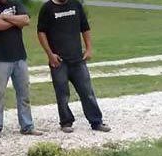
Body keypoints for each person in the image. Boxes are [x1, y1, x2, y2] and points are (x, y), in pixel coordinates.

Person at [37, 0, 110, 133]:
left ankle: (96, 121)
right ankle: (66, 122)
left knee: (87, 92)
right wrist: (50, 54)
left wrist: (88, 49)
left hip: (78, 60)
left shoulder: (76, 5)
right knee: (62, 94)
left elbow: (85, 27)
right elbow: (41, 32)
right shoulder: (47, 8)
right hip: (58, 61)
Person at [0, 0, 41, 140]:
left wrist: (5, 17)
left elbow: (26, 20)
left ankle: (27, 126)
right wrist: (15, 22)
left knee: (24, 93)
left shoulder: (15, 3)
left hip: (19, 57)